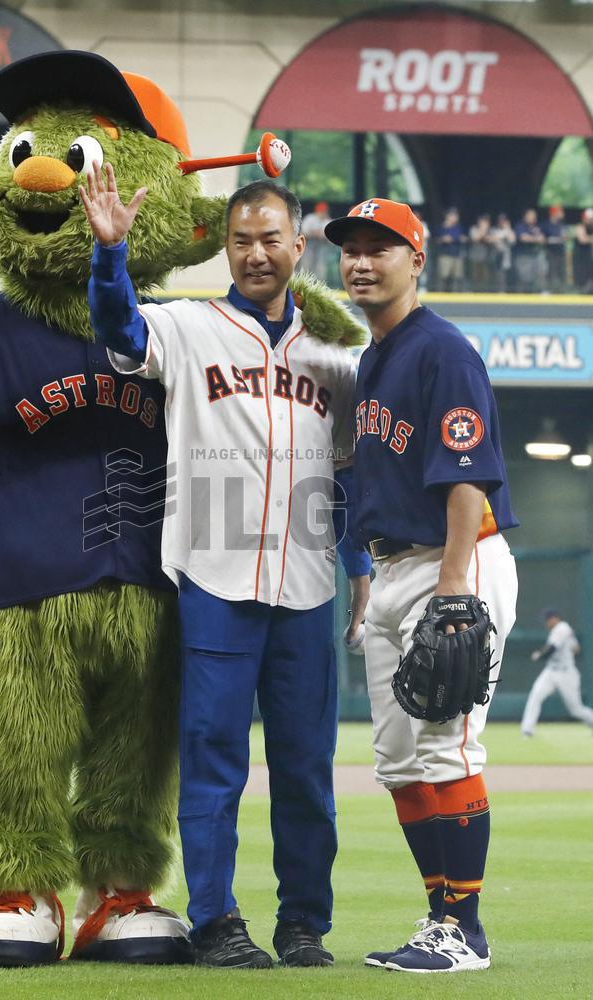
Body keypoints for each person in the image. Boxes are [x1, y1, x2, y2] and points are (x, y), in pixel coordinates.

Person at [81, 167, 371, 969]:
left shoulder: (333, 355)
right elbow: (121, 332)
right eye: (240, 240)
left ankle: (303, 922)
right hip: (214, 579)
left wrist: (356, 569)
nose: (255, 253)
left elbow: (347, 475)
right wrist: (112, 253)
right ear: (224, 247)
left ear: (297, 245)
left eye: (269, 238)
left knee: (307, 771)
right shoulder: (187, 325)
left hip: (307, 587)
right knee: (212, 763)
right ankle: (214, 921)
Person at [325, 197, 519, 973]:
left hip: (453, 558)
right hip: (394, 566)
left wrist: (449, 589)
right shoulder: (374, 358)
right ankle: (439, 915)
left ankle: (464, 930)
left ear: (418, 260)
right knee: (400, 761)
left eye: (381, 247)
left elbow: (467, 473)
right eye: (350, 250)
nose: (361, 261)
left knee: (445, 750)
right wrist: (365, 571)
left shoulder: (442, 350)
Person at [521, 609, 593, 737]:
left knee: (576, 710)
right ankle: (527, 729)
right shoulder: (563, 630)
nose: (546, 624)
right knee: (536, 696)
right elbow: (576, 649)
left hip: (566, 673)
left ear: (554, 618)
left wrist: (539, 655)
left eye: (547, 620)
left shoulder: (561, 628)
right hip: (551, 671)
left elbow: (552, 649)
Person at [513, 208, 546, 293]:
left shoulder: (537, 227)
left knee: (540, 273)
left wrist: (539, 237)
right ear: (526, 216)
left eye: (534, 215)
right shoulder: (520, 225)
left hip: (535, 255)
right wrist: (536, 239)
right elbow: (523, 238)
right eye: (531, 215)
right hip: (524, 256)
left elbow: (542, 238)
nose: (534, 217)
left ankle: (540, 291)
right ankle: (521, 294)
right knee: (524, 277)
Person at [300, 201, 333, 282]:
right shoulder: (310, 218)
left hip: (322, 249)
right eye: (321, 211)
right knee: (306, 268)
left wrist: (321, 234)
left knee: (321, 269)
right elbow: (303, 233)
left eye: (324, 211)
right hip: (308, 247)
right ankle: (303, 287)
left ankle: (319, 290)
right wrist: (314, 233)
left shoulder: (328, 221)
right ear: (317, 211)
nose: (323, 212)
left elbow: (331, 238)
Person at [435, 207, 465, 292]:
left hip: (456, 255)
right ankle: (441, 294)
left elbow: (461, 237)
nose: (455, 217)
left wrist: (451, 239)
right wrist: (443, 239)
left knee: (457, 277)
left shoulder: (458, 227)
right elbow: (436, 238)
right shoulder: (441, 227)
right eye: (453, 215)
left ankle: (456, 296)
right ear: (448, 216)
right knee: (443, 276)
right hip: (445, 255)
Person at [488, 213, 516, 292]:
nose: (502, 222)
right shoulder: (494, 230)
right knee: (497, 276)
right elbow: (490, 240)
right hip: (495, 256)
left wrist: (507, 229)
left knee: (506, 277)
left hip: (507, 258)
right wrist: (498, 238)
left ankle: (505, 291)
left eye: (504, 220)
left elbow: (512, 240)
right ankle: (498, 291)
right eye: (501, 220)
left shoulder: (509, 230)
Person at [543, 205, 567, 293]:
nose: (562, 214)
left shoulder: (562, 225)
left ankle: (561, 290)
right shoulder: (546, 224)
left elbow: (565, 237)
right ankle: (549, 289)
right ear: (554, 213)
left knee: (562, 272)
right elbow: (543, 238)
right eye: (560, 212)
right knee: (551, 271)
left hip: (560, 251)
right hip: (550, 252)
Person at [467, 214, 492, 292]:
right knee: (474, 276)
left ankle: (484, 291)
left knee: (485, 277)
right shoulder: (473, 229)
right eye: (483, 221)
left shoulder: (491, 230)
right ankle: (473, 291)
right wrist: (483, 231)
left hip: (486, 258)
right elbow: (475, 238)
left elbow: (493, 239)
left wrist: (486, 235)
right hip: (475, 257)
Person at [572, 208, 593, 293]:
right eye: (589, 218)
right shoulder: (580, 226)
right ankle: (580, 290)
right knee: (580, 274)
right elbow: (582, 240)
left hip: (588, 256)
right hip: (579, 256)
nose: (590, 220)